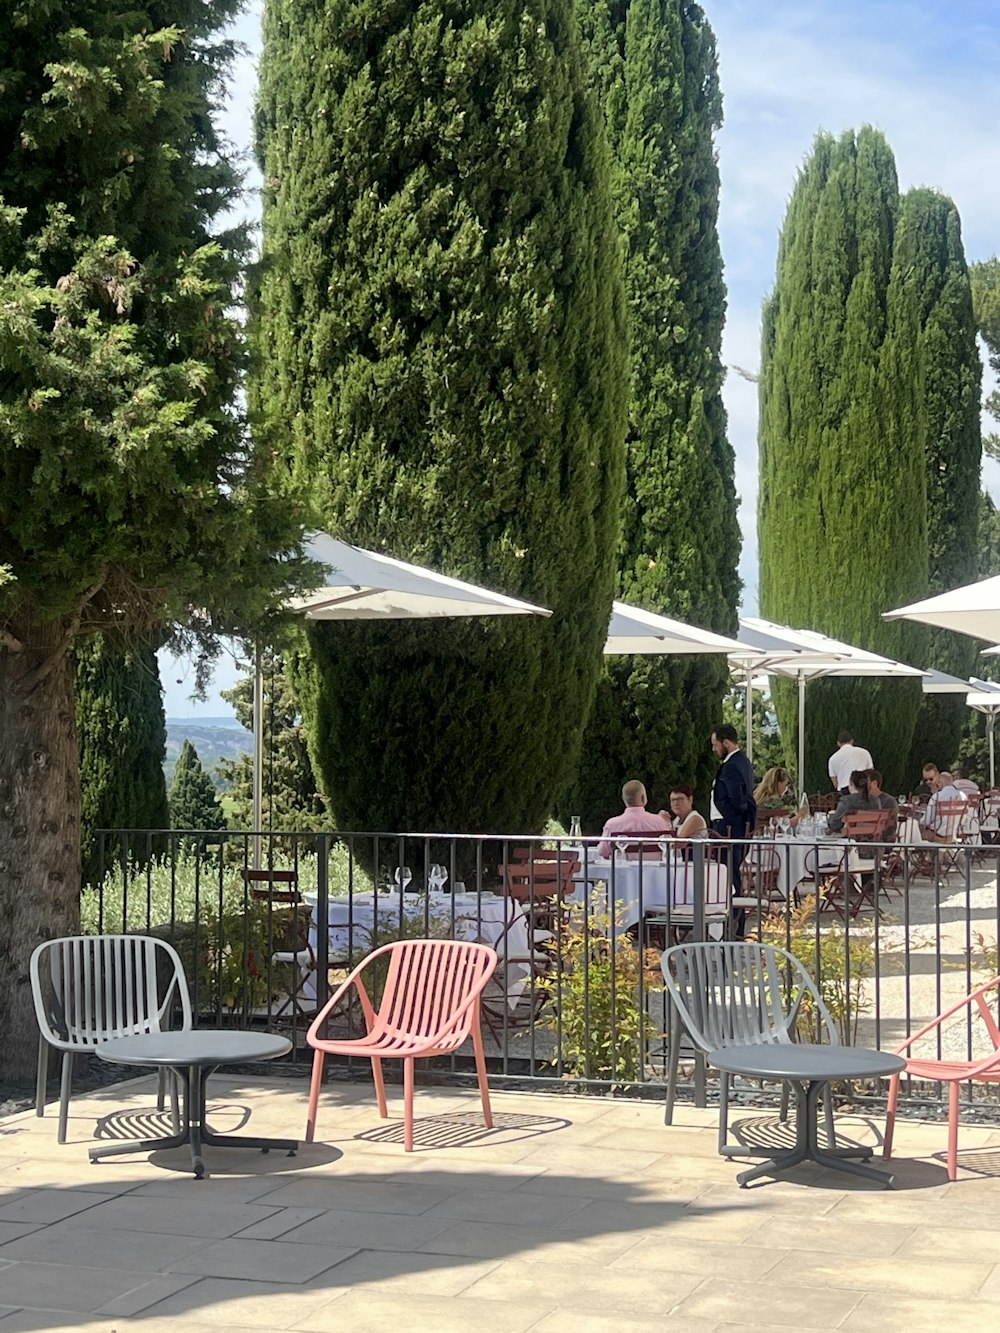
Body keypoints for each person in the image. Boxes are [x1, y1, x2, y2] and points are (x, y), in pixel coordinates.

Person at [710, 725, 756, 865]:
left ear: (726, 743)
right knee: (731, 870)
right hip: (735, 825)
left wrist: (727, 822)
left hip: (727, 827)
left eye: (715, 745)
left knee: (726, 870)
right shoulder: (744, 762)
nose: (714, 749)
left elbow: (736, 799)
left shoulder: (730, 766)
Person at [597, 779, 669, 857]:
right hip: (654, 868)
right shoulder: (659, 821)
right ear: (643, 797)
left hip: (622, 868)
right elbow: (669, 847)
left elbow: (603, 852)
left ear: (624, 799)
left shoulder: (612, 824)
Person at [920, 770, 967, 842]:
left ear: (941, 783)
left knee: (918, 831)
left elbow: (926, 821)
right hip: (954, 834)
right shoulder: (963, 796)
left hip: (937, 834)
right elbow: (963, 820)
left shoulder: (937, 796)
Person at [867, 769, 898, 840]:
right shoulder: (861, 800)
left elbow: (890, 830)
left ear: (874, 784)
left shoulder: (889, 802)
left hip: (882, 842)